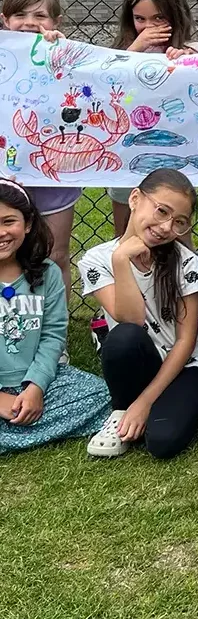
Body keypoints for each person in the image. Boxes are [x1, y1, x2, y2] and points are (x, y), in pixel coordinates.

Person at [78, 168, 198, 460]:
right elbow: (131, 320)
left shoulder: (186, 262)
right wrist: (121, 259)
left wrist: (145, 402)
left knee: (162, 443)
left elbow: (185, 342)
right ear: (135, 198)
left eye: (179, 222)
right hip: (139, 357)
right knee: (123, 336)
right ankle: (121, 409)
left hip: (186, 363)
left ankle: (168, 401)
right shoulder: (97, 259)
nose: (166, 227)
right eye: (161, 211)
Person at [0, 179, 110, 454]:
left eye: (8, 221)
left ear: (27, 224)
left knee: (103, 396)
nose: (1, 232)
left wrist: (36, 387)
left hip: (38, 379)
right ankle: (25, 424)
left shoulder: (46, 273)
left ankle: (16, 428)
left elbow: (52, 335)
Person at [1, 0, 81, 303]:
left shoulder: (65, 56)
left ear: (56, 23)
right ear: (5, 20)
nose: (30, 23)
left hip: (53, 175)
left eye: (40, 15)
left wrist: (61, 54)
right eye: (19, 14)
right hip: (6, 174)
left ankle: (55, 336)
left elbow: (88, 93)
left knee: (55, 255)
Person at [108, 0, 198, 237]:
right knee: (125, 233)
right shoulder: (119, 52)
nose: (149, 27)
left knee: (177, 231)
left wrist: (189, 63)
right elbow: (109, 85)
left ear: (176, 15)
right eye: (140, 19)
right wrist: (135, 49)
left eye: (158, 18)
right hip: (129, 156)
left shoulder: (194, 49)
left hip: (174, 156)